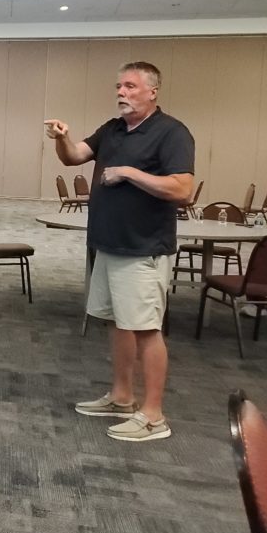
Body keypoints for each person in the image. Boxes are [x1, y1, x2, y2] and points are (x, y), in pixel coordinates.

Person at [45, 61, 193, 442]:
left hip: (143, 248)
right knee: (117, 322)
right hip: (108, 245)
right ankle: (122, 396)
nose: (121, 93)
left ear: (152, 91)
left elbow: (182, 189)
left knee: (147, 329)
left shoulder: (171, 133)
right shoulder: (112, 130)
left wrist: (128, 172)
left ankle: (154, 415)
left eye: (129, 86)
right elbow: (74, 155)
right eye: (118, 86)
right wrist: (62, 136)